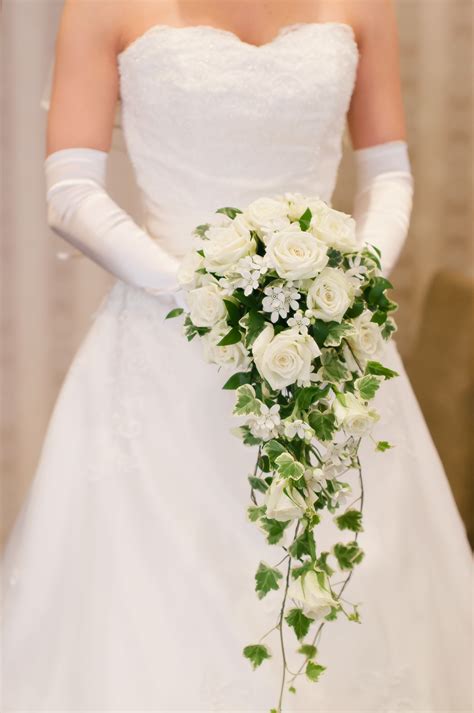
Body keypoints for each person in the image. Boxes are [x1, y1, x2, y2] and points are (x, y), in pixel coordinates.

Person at [2, 1, 472, 710]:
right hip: (165, 345)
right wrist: (200, 291)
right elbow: (70, 191)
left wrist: (344, 277)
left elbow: (389, 174)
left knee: (350, 583)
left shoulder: (363, 4)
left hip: (324, 342)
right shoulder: (102, 5)